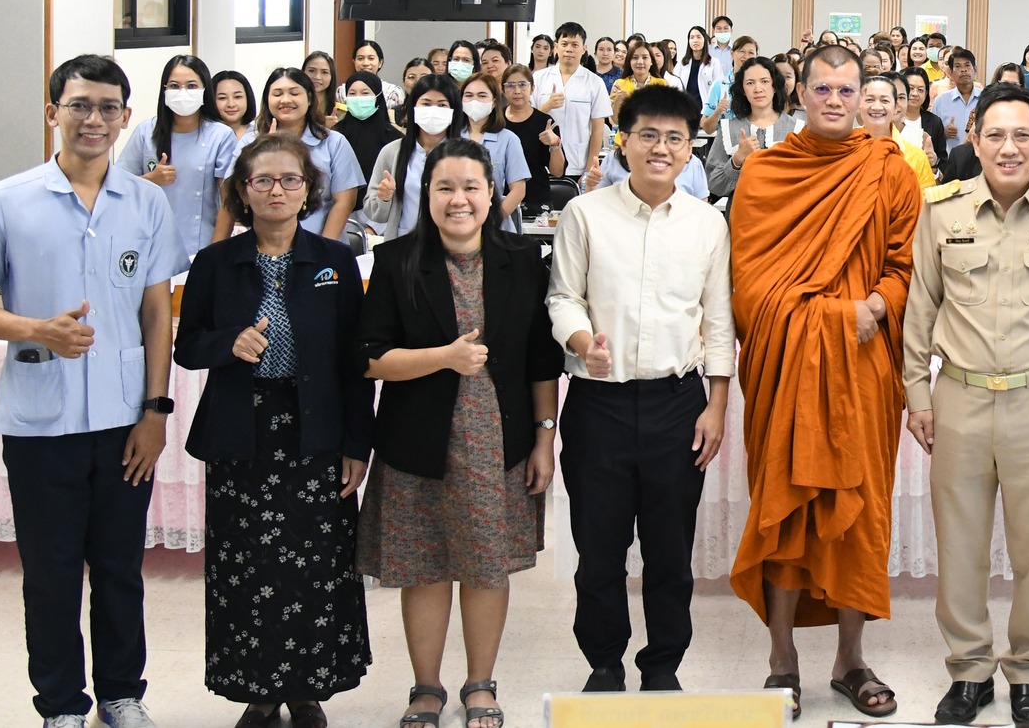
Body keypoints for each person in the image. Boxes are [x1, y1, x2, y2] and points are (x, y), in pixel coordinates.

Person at [727, 45, 920, 720]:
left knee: (858, 513)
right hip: (785, 366)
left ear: (864, 94)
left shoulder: (888, 169)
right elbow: (749, 287)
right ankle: (782, 659)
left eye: (846, 88)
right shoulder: (765, 172)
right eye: (822, 89)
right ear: (797, 93)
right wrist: (844, 313)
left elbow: (905, 264)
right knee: (786, 508)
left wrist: (879, 304)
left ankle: (850, 658)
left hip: (865, 369)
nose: (835, 100)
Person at [903, 85, 1029, 727]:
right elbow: (919, 308)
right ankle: (968, 669)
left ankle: (1028, 671)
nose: (1009, 147)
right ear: (976, 141)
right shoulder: (941, 211)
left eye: (1023, 135)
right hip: (957, 398)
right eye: (996, 135)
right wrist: (916, 393)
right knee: (958, 545)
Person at [0, 55, 181, 728]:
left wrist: (157, 410)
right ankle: (61, 706)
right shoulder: (8, 198)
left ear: (125, 117)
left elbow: (157, 310)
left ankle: (122, 694)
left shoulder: (147, 200)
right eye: (79, 104)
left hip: (125, 417)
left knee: (119, 569)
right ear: (54, 113)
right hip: (39, 421)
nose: (94, 118)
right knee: (48, 574)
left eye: (108, 106)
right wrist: (30, 326)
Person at [356, 138, 563, 728]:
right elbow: (369, 358)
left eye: (471, 186)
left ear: (492, 192)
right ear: (427, 195)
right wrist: (443, 358)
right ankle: (425, 688)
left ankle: (480, 684)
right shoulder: (397, 261)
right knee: (421, 567)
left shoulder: (522, 259)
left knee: (484, 565)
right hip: (416, 443)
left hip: (499, 442)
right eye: (444, 187)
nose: (459, 200)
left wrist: (546, 436)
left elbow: (540, 359)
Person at [175, 133, 373, 728]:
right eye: (263, 181)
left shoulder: (334, 261)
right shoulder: (215, 263)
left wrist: (356, 444)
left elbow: (354, 361)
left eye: (290, 180)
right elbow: (187, 348)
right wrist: (228, 345)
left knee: (317, 565)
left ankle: (308, 690)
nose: (277, 190)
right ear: (242, 191)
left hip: (317, 431)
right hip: (243, 432)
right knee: (248, 566)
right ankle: (259, 692)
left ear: (309, 189)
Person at [546, 85, 733, 694]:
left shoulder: (708, 224)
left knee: (669, 549)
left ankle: (662, 667)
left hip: (676, 405)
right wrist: (579, 340)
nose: (660, 147)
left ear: (689, 150)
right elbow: (563, 295)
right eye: (647, 134)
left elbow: (718, 319)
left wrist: (717, 407)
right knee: (598, 548)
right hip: (597, 404)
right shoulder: (585, 213)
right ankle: (603, 662)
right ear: (624, 140)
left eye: (674, 137)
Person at [118, 55, 238, 259]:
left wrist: (215, 253)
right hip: (150, 244)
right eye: (174, 86)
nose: (183, 93)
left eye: (192, 86)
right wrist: (150, 179)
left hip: (201, 245)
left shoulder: (220, 135)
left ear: (204, 90)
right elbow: (116, 187)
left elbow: (229, 201)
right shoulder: (146, 131)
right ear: (164, 90)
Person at [227, 68, 364, 241]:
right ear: (267, 100)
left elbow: (344, 202)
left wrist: (324, 248)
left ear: (309, 99)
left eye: (294, 93)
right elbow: (234, 194)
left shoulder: (333, 142)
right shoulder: (249, 142)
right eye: (277, 94)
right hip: (262, 247)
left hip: (323, 246)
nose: (285, 100)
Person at [365, 74, 469, 239]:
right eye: (426, 104)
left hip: (452, 245)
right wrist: (384, 198)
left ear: (453, 111)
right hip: (403, 246)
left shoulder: (468, 155)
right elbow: (374, 213)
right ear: (413, 107)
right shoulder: (392, 152)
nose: (434, 110)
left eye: (442, 105)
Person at [706, 58, 802, 199]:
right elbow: (713, 184)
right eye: (750, 83)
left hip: (785, 215)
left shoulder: (796, 129)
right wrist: (737, 159)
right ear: (743, 90)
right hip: (742, 216)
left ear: (775, 86)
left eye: (764, 81)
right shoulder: (729, 128)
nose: (758, 89)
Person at [533, 22, 614, 186]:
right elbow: (529, 119)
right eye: (564, 44)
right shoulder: (538, 78)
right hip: (541, 162)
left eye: (574, 45)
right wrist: (547, 106)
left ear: (583, 49)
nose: (569, 49)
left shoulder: (594, 82)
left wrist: (589, 168)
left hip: (577, 164)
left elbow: (598, 129)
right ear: (556, 47)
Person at [459, 72, 532, 233]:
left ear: (493, 102)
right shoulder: (451, 138)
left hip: (496, 226)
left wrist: (493, 220)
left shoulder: (508, 139)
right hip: (457, 220)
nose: (474, 101)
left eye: (482, 96)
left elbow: (518, 190)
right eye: (469, 96)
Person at [499, 64, 563, 221]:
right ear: (502, 90)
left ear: (532, 88)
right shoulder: (495, 121)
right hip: (501, 201)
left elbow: (558, 172)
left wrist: (554, 144)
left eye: (522, 85)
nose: (517, 91)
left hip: (537, 201)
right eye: (510, 86)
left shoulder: (545, 122)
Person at [334, 72, 404, 194]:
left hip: (381, 204)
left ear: (377, 97)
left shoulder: (395, 139)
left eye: (365, 93)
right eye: (352, 93)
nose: (358, 98)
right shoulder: (335, 135)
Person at [862, 74, 935, 190]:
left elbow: (924, 203)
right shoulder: (842, 148)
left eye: (885, 100)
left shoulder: (916, 157)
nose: (877, 107)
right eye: (870, 99)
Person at [931, 48, 981, 144]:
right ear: (950, 73)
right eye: (958, 66)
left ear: (975, 69)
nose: (963, 70)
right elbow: (932, 134)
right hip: (950, 157)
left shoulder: (986, 99)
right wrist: (943, 132)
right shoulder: (940, 101)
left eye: (967, 65)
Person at [901, 68, 948, 166]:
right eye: (910, 88)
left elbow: (943, 161)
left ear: (926, 94)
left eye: (920, 90)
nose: (915, 93)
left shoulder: (934, 122)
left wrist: (935, 162)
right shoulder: (891, 119)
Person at [610, 43, 666, 112]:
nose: (640, 62)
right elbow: (613, 121)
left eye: (645, 57)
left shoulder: (662, 84)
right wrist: (618, 101)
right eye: (635, 58)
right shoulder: (620, 85)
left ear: (651, 61)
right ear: (629, 61)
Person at [302, 50, 341, 129]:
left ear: (331, 77)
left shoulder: (340, 110)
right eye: (311, 71)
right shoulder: (295, 105)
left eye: (324, 72)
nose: (317, 77)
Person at [213, 69, 257, 138]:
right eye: (222, 98)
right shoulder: (206, 136)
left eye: (237, 97)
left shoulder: (259, 135)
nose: (231, 104)